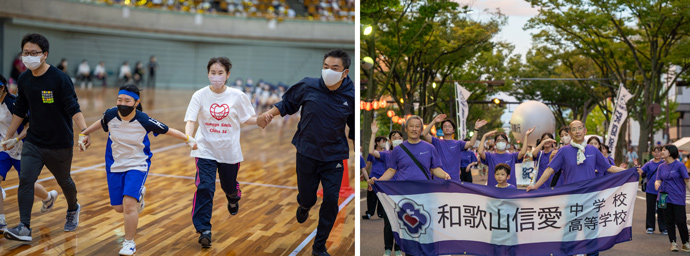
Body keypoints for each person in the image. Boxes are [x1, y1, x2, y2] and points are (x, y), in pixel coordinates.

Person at [256, 49, 354, 256]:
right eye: (325, 67)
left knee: (330, 199)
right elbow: (287, 104)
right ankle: (304, 205)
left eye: (334, 68)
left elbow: (353, 128)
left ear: (344, 72)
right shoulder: (309, 85)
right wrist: (269, 114)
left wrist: (358, 157)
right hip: (307, 151)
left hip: (334, 156)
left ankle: (319, 246)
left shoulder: (352, 95)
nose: (328, 71)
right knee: (308, 198)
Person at [79, 84, 194, 255]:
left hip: (137, 164)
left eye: (127, 100)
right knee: (119, 208)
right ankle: (139, 195)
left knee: (129, 205)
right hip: (115, 164)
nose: (122, 103)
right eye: (119, 99)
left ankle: (129, 243)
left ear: (136, 102)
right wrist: (84, 133)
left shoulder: (144, 120)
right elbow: (101, 122)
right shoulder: (110, 114)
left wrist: (188, 139)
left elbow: (168, 130)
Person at [3, 33, 88, 242]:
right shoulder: (24, 79)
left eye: (34, 53)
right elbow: (20, 110)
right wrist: (8, 135)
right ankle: (24, 227)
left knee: (64, 180)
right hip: (33, 141)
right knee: (25, 180)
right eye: (25, 53)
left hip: (59, 143)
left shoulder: (60, 79)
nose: (29, 56)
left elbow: (74, 109)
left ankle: (72, 207)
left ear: (44, 55)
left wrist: (84, 132)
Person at [184, 56, 259, 248]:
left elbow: (247, 118)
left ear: (227, 75)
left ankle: (233, 196)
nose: (216, 77)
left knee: (228, 186)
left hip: (229, 151)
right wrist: (189, 137)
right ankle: (204, 229)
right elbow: (191, 120)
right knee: (205, 187)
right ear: (208, 74)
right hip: (205, 149)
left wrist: (260, 120)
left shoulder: (237, 96)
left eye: (220, 73)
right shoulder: (199, 95)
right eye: (213, 73)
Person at [368, 115, 449, 256]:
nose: (414, 129)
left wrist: (445, 175)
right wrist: (378, 181)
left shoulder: (429, 148)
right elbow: (391, 170)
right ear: (406, 129)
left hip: (425, 195)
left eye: (417, 126)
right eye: (411, 126)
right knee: (408, 230)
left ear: (421, 128)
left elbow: (435, 168)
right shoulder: (399, 150)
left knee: (426, 228)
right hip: (405, 196)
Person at [0, 74, 58, 234]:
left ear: (3, 88)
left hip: (22, 149)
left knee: (28, 185)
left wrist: (16, 139)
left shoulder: (14, 104)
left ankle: (48, 197)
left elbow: (30, 125)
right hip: (4, 150)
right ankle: (1, 220)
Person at [527, 120, 632, 191]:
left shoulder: (593, 150)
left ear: (585, 131)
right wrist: (535, 186)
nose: (577, 132)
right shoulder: (563, 151)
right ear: (570, 133)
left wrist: (632, 171)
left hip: (589, 195)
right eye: (574, 129)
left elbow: (610, 168)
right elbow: (549, 170)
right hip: (571, 195)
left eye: (580, 128)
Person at [420, 114, 487, 181]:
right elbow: (424, 133)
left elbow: (471, 143)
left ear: (453, 130)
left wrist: (476, 129)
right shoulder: (437, 142)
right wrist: (434, 121)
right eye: (445, 126)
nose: (447, 128)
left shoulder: (458, 143)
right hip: (439, 178)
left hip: (454, 179)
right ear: (442, 130)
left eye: (449, 126)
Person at [654, 144, 690, 252]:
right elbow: (658, 179)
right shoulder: (661, 166)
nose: (661, 152)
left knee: (681, 221)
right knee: (669, 221)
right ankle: (673, 242)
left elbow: (687, 180)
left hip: (678, 197)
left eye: (664, 150)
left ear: (670, 152)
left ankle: (685, 242)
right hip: (664, 197)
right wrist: (657, 183)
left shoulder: (680, 165)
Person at [363, 120, 387, 220]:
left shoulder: (387, 153)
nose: (384, 143)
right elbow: (368, 164)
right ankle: (369, 212)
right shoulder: (372, 153)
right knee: (371, 196)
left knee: (382, 197)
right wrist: (363, 173)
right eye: (383, 141)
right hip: (373, 176)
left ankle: (381, 213)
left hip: (384, 177)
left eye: (385, 142)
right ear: (377, 142)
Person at [640, 146, 667, 235]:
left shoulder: (665, 163)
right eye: (655, 152)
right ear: (652, 153)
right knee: (650, 208)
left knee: (662, 209)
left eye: (659, 152)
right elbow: (641, 172)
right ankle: (650, 227)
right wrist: (638, 169)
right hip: (650, 189)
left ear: (661, 153)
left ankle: (663, 228)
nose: (657, 153)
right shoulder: (649, 164)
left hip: (663, 190)